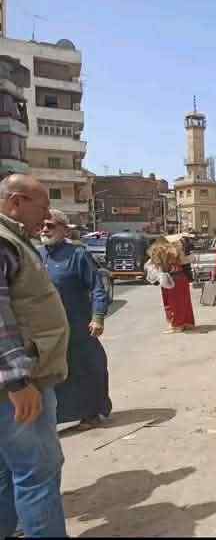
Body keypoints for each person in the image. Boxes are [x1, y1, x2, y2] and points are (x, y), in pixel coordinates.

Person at [0, 174, 70, 537]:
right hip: (19, 384)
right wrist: (17, 379)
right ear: (16, 202)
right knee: (37, 473)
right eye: (42, 207)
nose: (46, 217)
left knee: (9, 470)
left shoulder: (16, 240)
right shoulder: (4, 241)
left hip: (18, 381)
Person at [39, 210, 111, 431]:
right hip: (47, 329)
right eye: (42, 225)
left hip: (77, 324)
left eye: (50, 225)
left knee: (87, 369)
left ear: (64, 230)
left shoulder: (78, 255)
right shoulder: (35, 255)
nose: (44, 229)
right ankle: (56, 418)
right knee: (53, 375)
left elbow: (97, 287)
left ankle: (91, 414)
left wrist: (98, 317)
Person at [148, 238, 196, 333]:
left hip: (171, 280)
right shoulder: (179, 251)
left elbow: (161, 266)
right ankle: (187, 323)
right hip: (182, 278)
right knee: (184, 302)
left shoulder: (163, 251)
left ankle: (177, 325)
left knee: (173, 303)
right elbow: (185, 261)